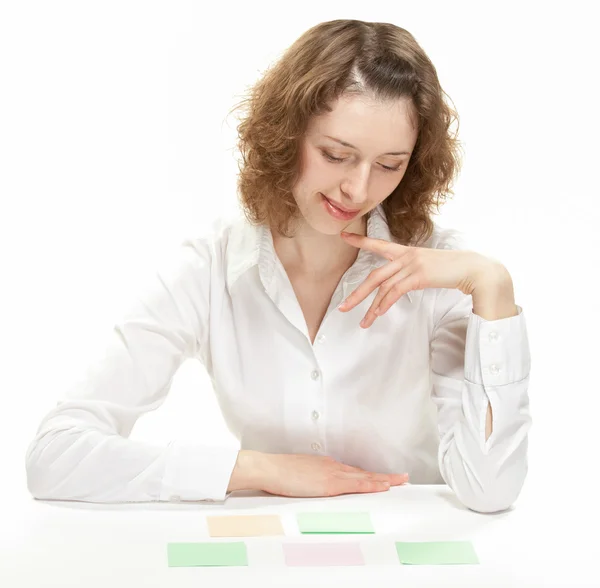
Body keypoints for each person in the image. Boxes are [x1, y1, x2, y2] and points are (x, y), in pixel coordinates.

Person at [25, 19, 531, 513]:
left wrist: (493, 287)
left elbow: (489, 489)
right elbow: (55, 455)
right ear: (286, 134)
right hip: (271, 552)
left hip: (407, 553)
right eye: (336, 154)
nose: (358, 189)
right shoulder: (212, 268)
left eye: (388, 165)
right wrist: (256, 469)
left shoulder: (442, 275)